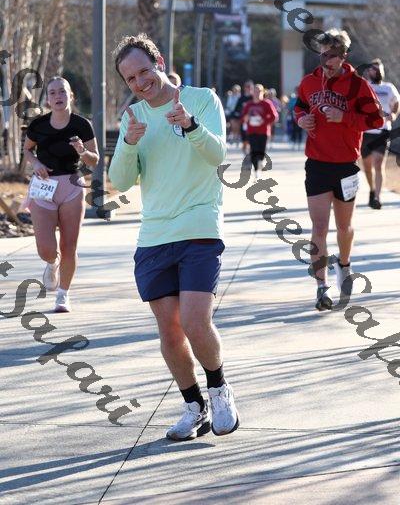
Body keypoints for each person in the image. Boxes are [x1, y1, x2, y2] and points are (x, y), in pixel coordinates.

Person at [108, 33, 239, 441]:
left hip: (199, 227)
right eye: (131, 78)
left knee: (197, 322)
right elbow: (120, 181)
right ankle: (194, 406)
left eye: (144, 71)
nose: (140, 82)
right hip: (154, 236)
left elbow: (218, 155)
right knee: (170, 332)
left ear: (160, 63)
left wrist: (191, 125)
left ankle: (219, 389)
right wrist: (128, 143)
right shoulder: (133, 117)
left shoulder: (201, 100)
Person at [294, 29, 384, 311]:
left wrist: (345, 117)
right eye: (323, 54)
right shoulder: (309, 82)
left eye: (332, 55)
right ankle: (321, 287)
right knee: (319, 227)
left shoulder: (358, 85)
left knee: (344, 227)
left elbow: (376, 120)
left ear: (344, 55)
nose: (327, 60)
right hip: (317, 163)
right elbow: (298, 108)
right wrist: (302, 120)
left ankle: (344, 264)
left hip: (346, 165)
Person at [23, 76, 99, 312]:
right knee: (45, 248)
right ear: (47, 99)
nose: (58, 96)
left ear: (70, 96)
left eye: (62, 92)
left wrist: (82, 151)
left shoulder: (82, 125)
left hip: (72, 187)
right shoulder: (38, 125)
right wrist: (36, 163)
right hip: (43, 187)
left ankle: (63, 295)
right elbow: (27, 150)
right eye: (53, 92)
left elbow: (94, 160)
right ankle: (51, 262)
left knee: (69, 246)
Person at [361, 58, 399, 209]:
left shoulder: (388, 88)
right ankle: (371, 190)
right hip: (366, 131)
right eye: (373, 69)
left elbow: (396, 102)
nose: (376, 71)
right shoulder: (365, 86)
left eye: (378, 69)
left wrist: (394, 114)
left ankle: (377, 197)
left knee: (378, 163)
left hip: (383, 130)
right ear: (369, 71)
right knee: (367, 166)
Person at [241, 84, 278, 180]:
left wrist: (264, 121)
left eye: (259, 91)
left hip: (263, 131)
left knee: (261, 151)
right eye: (255, 91)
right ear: (252, 92)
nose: (257, 93)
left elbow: (274, 116)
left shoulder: (266, 104)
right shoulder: (249, 104)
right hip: (251, 131)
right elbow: (243, 118)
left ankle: (260, 163)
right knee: (253, 150)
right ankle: (256, 170)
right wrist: (246, 118)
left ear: (263, 92)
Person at [231, 80, 254, 151]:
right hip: (244, 120)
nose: (249, 88)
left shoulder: (254, 97)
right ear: (244, 88)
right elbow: (236, 109)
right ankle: (245, 148)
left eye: (250, 87)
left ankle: (252, 149)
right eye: (247, 87)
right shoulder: (241, 98)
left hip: (253, 121)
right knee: (244, 135)